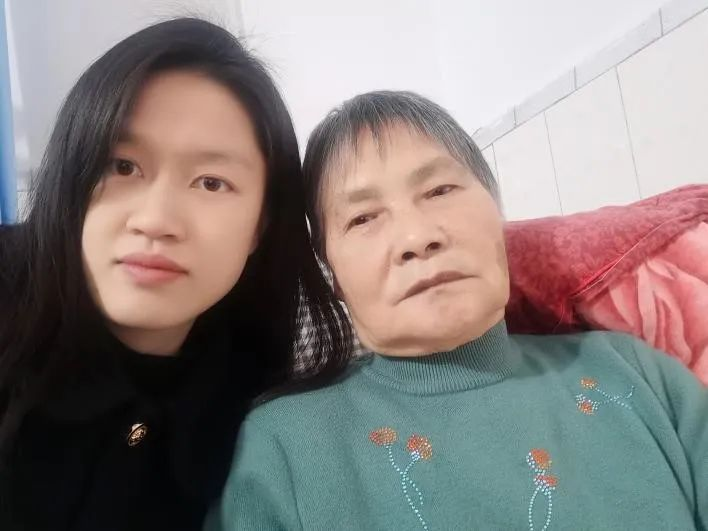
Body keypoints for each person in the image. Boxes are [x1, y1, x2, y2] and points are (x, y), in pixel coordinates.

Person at [211, 91, 708, 530]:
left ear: (497, 209)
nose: (417, 237)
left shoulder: (636, 375)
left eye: (439, 191)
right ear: (332, 273)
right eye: (362, 217)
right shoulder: (281, 451)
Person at [0, 18, 351, 531]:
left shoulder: (258, 401)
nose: (156, 220)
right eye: (122, 166)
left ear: (261, 225)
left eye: (211, 182)